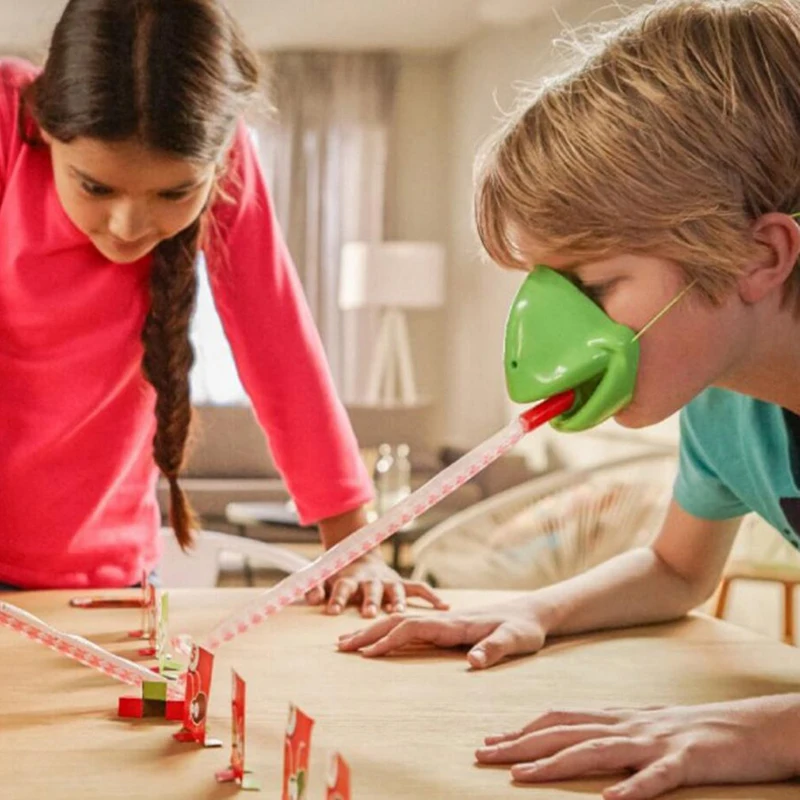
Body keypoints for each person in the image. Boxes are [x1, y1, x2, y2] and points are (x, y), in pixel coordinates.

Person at [339, 0, 800, 795]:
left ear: (759, 253)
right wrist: (535, 610)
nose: (557, 330)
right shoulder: (726, 406)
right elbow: (673, 569)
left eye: (594, 284)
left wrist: (760, 725)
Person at [0, 0, 445, 618]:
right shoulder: (5, 118)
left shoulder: (226, 153)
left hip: (112, 575)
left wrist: (352, 543)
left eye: (173, 191)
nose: (129, 226)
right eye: (95, 186)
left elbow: (277, 339)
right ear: (46, 130)